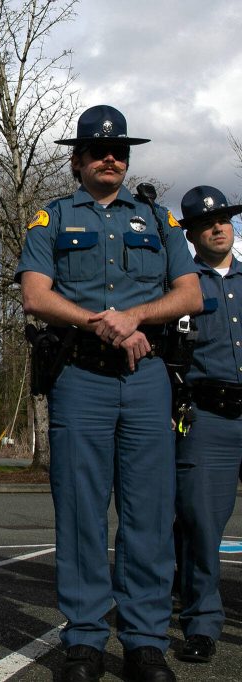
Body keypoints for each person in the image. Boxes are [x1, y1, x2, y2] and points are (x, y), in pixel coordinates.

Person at [17, 105, 202, 682]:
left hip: (146, 380)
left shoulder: (159, 219)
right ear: (76, 160)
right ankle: (85, 639)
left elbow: (191, 294)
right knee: (80, 512)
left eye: (119, 150)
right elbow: (36, 296)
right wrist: (102, 323)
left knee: (148, 512)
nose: (110, 157)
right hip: (81, 377)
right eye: (98, 150)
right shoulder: (50, 218)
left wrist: (137, 316)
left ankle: (146, 640)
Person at [173, 185, 242, 665]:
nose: (218, 227)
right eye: (206, 223)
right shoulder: (181, 286)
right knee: (202, 524)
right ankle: (201, 622)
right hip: (208, 416)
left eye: (224, 220)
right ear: (193, 233)